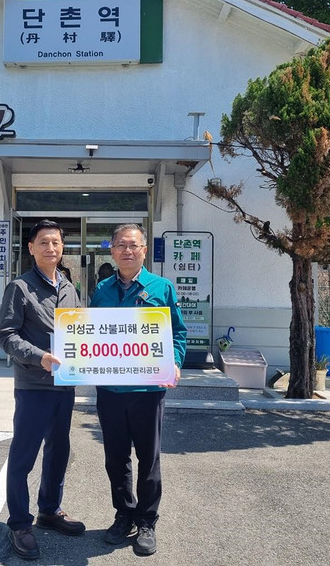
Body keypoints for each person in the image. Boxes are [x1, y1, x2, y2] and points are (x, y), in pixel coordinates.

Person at [90, 223, 186, 556]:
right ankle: (124, 514)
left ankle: (147, 521)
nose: (127, 251)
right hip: (110, 390)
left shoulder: (162, 287)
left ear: (144, 250)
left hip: (148, 390)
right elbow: (91, 332)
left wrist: (174, 361)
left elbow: (177, 333)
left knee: (149, 457)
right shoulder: (102, 289)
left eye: (133, 245)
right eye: (120, 245)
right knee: (116, 458)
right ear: (112, 250)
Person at [0, 219, 86, 560]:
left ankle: (49, 510)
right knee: (24, 454)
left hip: (64, 384)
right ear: (31, 248)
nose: (51, 248)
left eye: (56, 242)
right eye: (44, 242)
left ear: (63, 248)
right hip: (34, 385)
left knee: (59, 450)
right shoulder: (20, 287)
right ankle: (20, 523)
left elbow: (79, 329)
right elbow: (6, 335)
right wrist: (40, 357)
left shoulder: (68, 287)